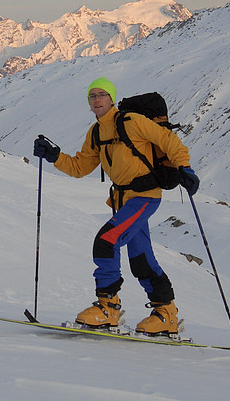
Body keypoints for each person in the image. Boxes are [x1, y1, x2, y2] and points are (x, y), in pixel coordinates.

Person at [33, 77, 200, 335]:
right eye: (92, 96)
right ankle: (166, 313)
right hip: (123, 202)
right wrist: (54, 156)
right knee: (140, 258)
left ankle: (108, 307)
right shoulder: (97, 132)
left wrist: (185, 168)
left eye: (102, 95)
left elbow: (168, 141)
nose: (97, 100)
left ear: (112, 99)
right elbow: (80, 167)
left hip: (145, 196)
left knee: (106, 240)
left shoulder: (131, 122)